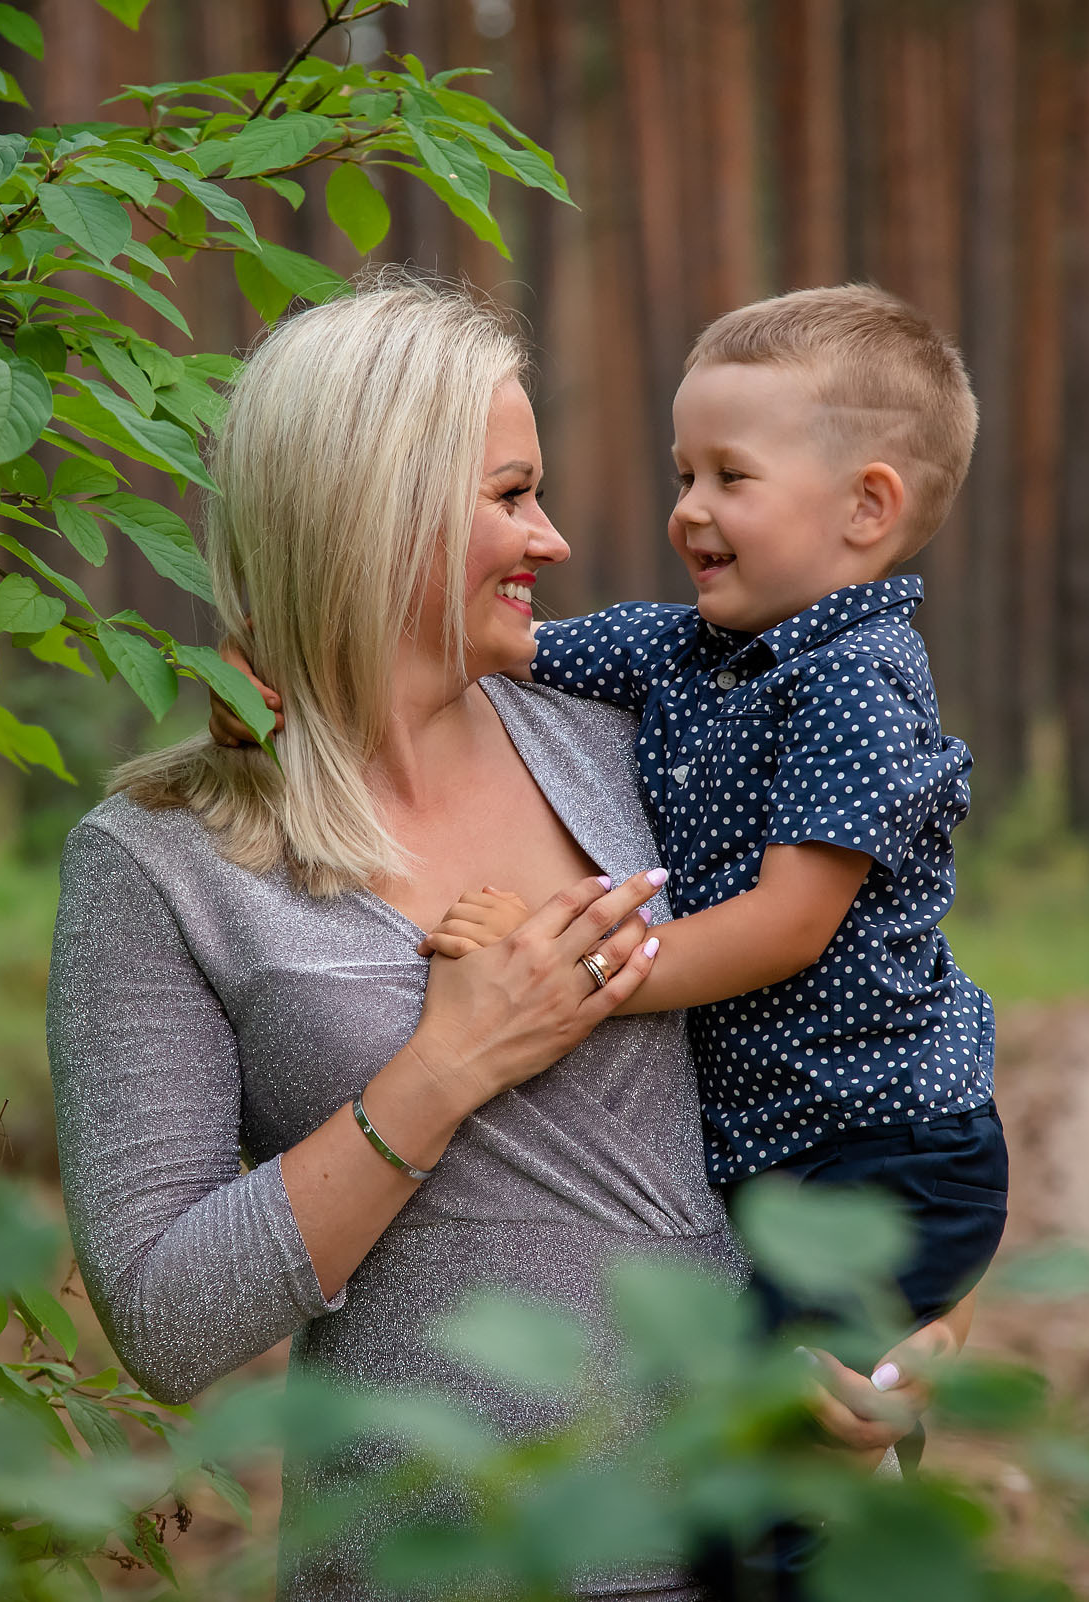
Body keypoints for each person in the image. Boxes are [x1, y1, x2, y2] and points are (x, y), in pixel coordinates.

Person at [45, 277, 940, 1602]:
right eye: (512, 495)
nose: (558, 537)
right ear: (379, 510)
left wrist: (914, 1337)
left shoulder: (641, 751)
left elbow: (895, 1033)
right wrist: (446, 1062)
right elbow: (165, 1319)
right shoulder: (160, 858)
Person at [415, 285, 1005, 1409]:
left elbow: (788, 925)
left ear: (866, 508)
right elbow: (493, 642)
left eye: (731, 478)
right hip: (783, 1150)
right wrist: (283, 666)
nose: (688, 509)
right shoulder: (681, 646)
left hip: (880, 1153)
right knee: (746, 1443)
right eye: (684, 474)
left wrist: (573, 972)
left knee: (773, 1464)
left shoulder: (853, 684)